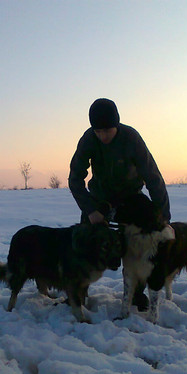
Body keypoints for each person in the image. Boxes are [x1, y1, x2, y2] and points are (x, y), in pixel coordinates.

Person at [68, 98, 171, 311]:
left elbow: (153, 177)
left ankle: (136, 293)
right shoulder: (88, 139)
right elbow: (75, 179)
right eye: (98, 131)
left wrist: (164, 217)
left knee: (142, 242)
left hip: (129, 196)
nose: (103, 136)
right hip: (100, 196)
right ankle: (78, 291)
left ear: (117, 125)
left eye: (108, 131)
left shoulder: (131, 138)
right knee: (83, 239)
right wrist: (90, 210)